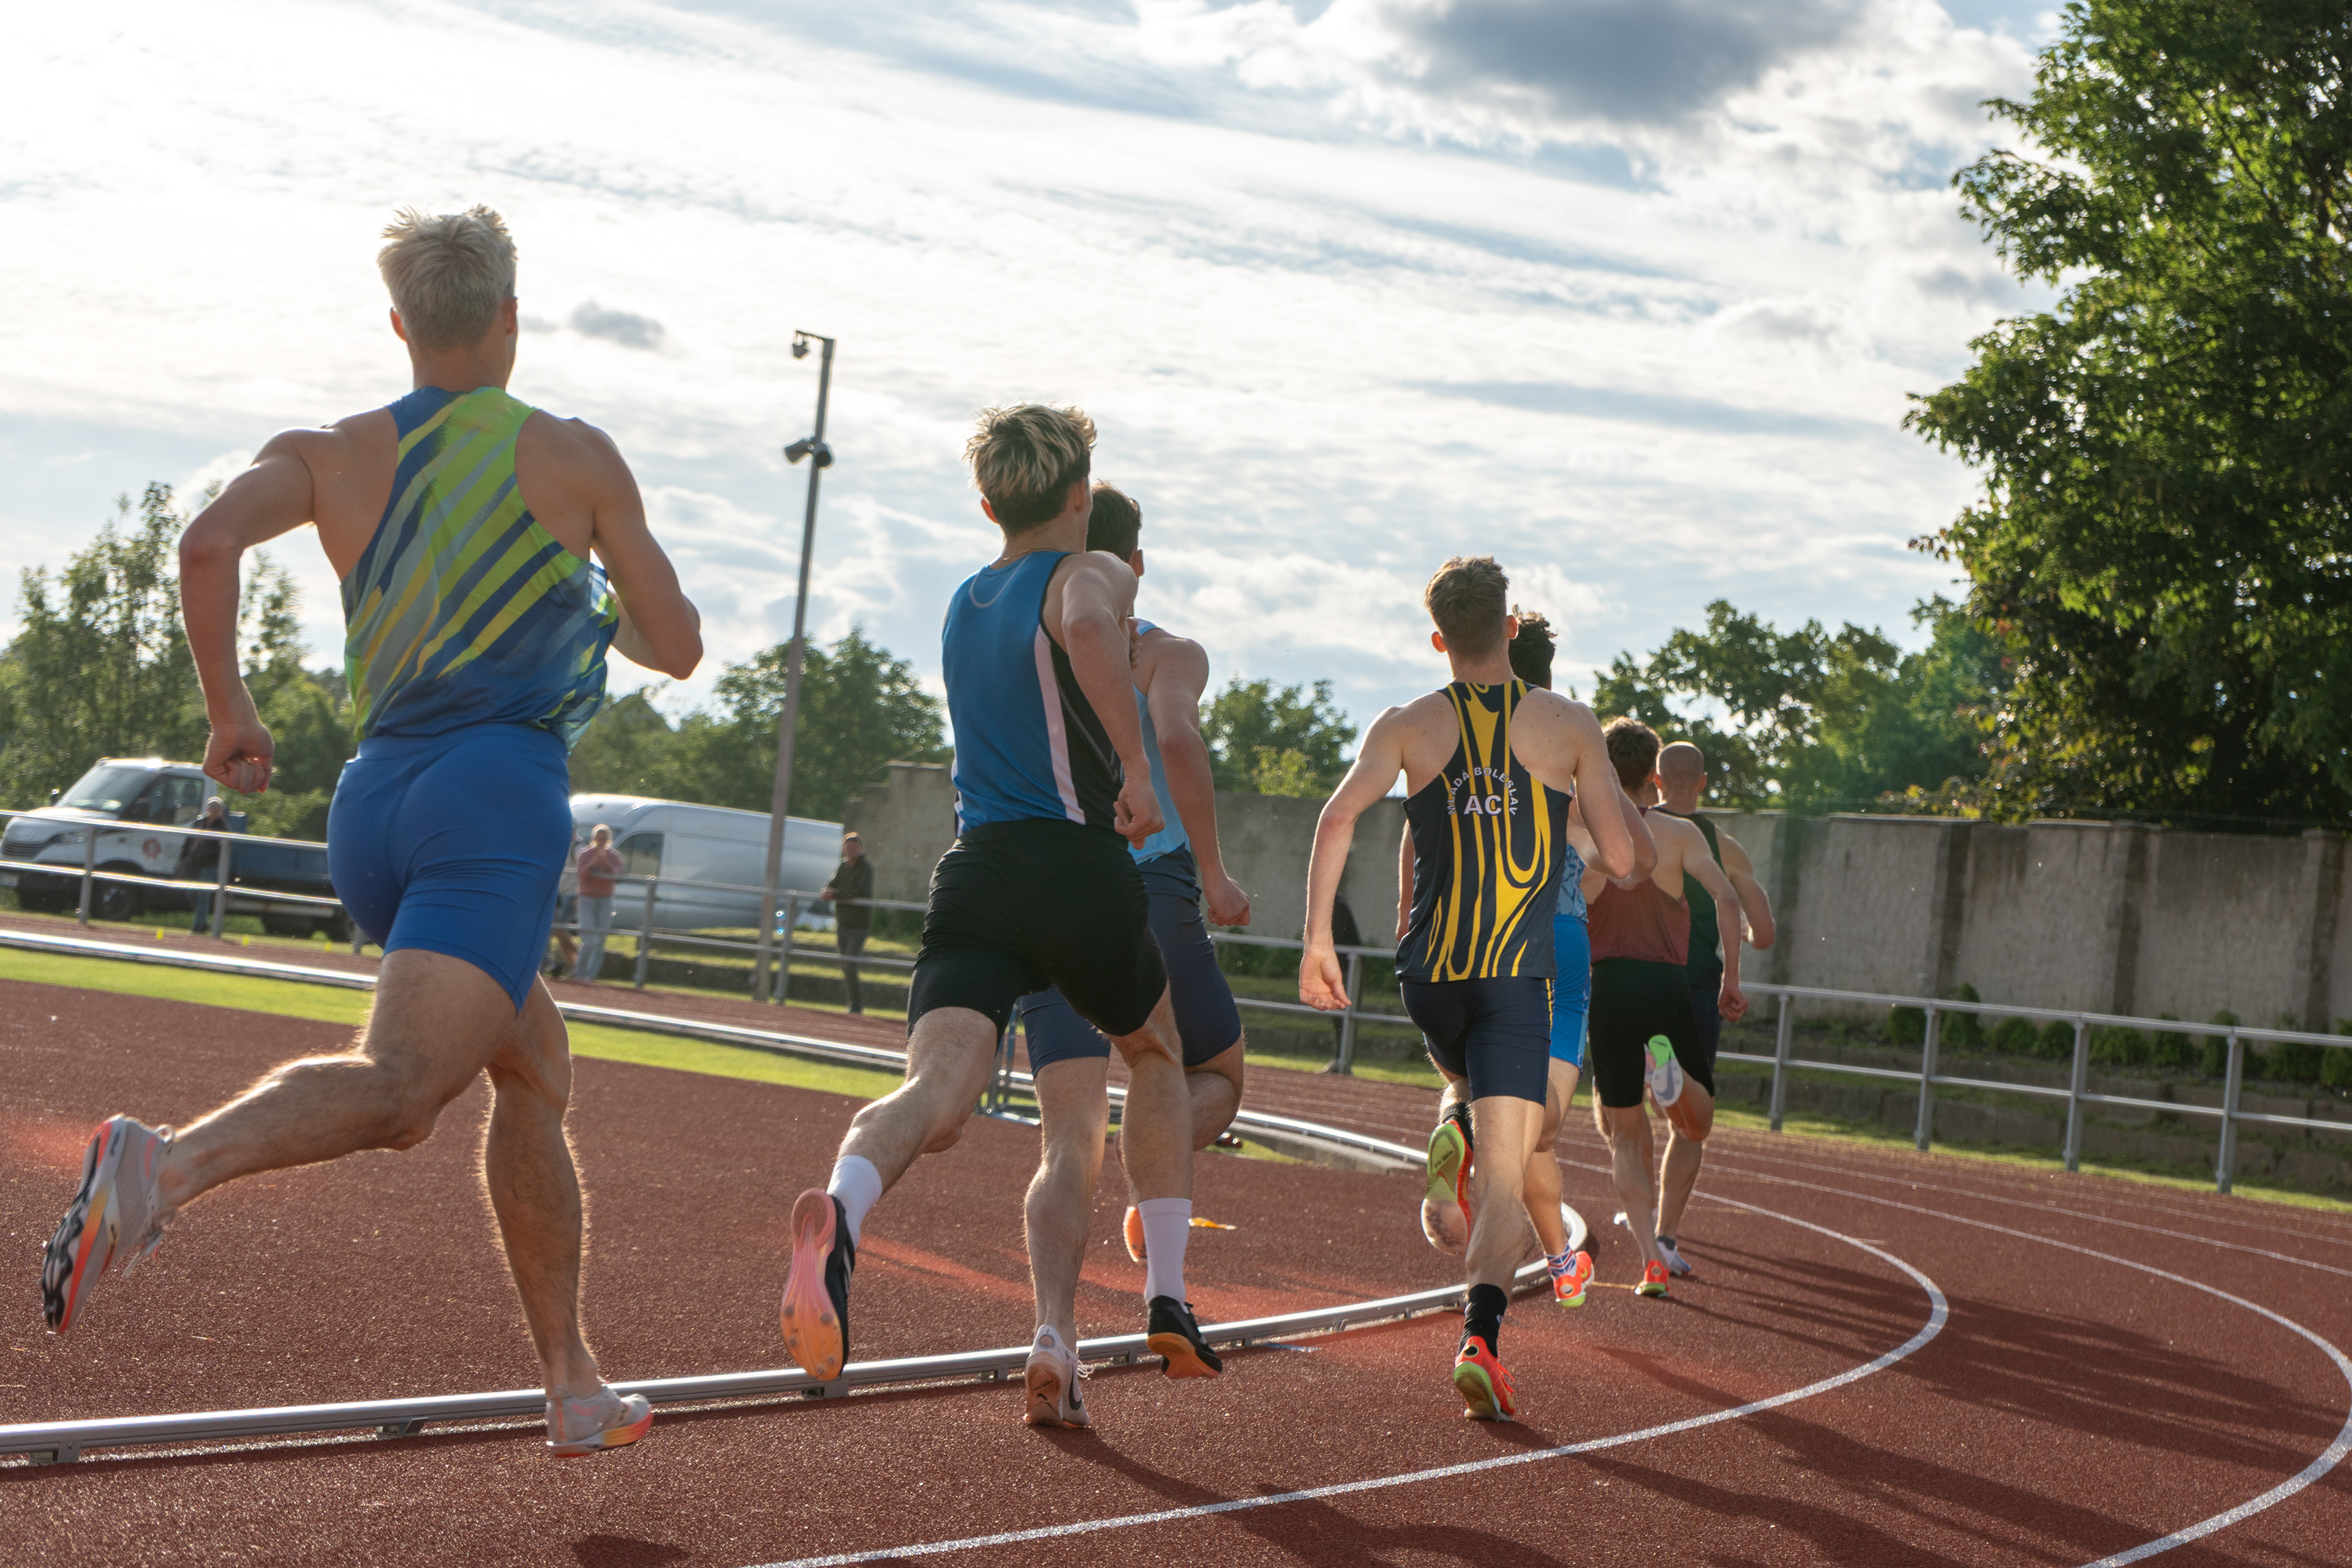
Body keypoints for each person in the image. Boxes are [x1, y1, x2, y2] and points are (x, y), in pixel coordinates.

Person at [39, 206, 703, 1460]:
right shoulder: (574, 457)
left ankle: (572, 1384)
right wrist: (581, 591)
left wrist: (231, 712)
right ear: (510, 317)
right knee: (403, 1092)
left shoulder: (328, 452)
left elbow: (206, 542)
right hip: (494, 801)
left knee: (532, 1065)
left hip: (375, 804)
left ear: (401, 324)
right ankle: (162, 1167)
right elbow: (676, 645)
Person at [777, 405, 1223, 1432]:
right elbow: (1087, 626)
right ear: (1081, 496)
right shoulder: (1089, 570)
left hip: (974, 873)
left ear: (988, 507)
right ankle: (1166, 1293)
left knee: (935, 1096)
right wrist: (1135, 772)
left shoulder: (963, 599)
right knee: (1156, 1054)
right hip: (1074, 864)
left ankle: (842, 1209)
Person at [1301, 557, 1634, 1422]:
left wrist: (1317, 944)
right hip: (1514, 977)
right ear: (1511, 630)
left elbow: (1337, 818)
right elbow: (1623, 858)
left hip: (1429, 976)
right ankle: (1479, 1341)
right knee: (1508, 1174)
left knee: (1469, 1087)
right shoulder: (1566, 723)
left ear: (1438, 638)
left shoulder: (1404, 725)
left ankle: (1455, 1117)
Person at [1011, 482, 1254, 1279]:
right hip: (1150, 886)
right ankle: (1151, 1161)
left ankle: (1052, 1332)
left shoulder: (1028, 643)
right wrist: (1215, 872)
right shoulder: (1166, 654)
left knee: (1065, 1134)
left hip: (1047, 886)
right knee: (1213, 1076)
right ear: (1136, 563)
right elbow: (1178, 742)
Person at [1415, 611, 1654, 1319]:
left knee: (1472, 1081)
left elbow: (1416, 844)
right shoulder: (1567, 744)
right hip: (1555, 940)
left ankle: (1540, 1235)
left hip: (1462, 936)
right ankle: (1506, 1277)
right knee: (1539, 1124)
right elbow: (1637, 858)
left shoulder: (1452, 742)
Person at [1584, 719, 1747, 1301]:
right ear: (1653, 776)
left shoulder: (1583, 835)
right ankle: (1671, 1076)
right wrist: (1730, 978)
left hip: (1608, 988)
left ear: (1604, 771)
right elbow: (1727, 897)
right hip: (1667, 984)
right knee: (1696, 1124)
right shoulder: (1679, 834)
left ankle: (1650, 1262)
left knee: (1624, 1135)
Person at [1641, 741, 1774, 1276]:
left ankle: (1654, 1078)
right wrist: (1736, 967)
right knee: (1691, 1124)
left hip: (1635, 976)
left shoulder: (1635, 829)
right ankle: (1665, 1237)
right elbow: (1763, 932)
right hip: (1696, 982)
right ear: (1701, 783)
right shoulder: (1723, 847)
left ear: (1655, 780)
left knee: (1628, 1111)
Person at [820, 832, 875, 1014]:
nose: (851, 850)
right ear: (844, 849)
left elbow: (858, 892)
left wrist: (835, 895)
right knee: (845, 964)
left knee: (850, 964)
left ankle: (857, 1005)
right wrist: (827, 891)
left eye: (854, 847)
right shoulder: (843, 866)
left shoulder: (866, 867)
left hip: (859, 924)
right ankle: (853, 1003)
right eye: (848, 847)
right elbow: (833, 884)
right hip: (843, 922)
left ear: (860, 848)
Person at [179, 797, 238, 936]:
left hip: (210, 865)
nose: (214, 811)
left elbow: (227, 844)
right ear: (207, 809)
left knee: (203, 895)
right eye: (212, 807)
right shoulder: (199, 823)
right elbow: (189, 841)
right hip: (194, 863)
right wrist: (183, 858)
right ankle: (203, 922)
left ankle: (198, 927)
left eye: (217, 808)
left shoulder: (222, 827)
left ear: (221, 811)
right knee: (191, 894)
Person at [573, 826, 624, 984]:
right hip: (587, 899)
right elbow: (581, 874)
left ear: (608, 840)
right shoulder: (584, 854)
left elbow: (617, 875)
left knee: (600, 940)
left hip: (605, 899)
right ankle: (579, 973)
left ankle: (591, 976)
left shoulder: (614, 856)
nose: (601, 841)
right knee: (589, 939)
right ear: (594, 838)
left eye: (604, 839)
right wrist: (593, 863)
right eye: (598, 838)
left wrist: (606, 863)